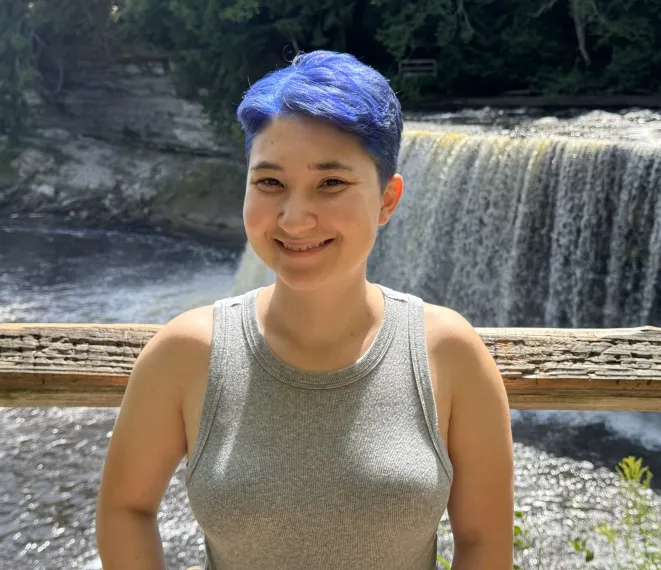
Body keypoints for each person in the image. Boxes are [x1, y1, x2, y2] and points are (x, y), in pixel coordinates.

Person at [95, 50, 514, 570]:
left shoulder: (449, 353)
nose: (294, 220)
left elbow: (484, 543)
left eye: (331, 184)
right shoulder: (185, 353)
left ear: (388, 199)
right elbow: (125, 507)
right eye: (269, 182)